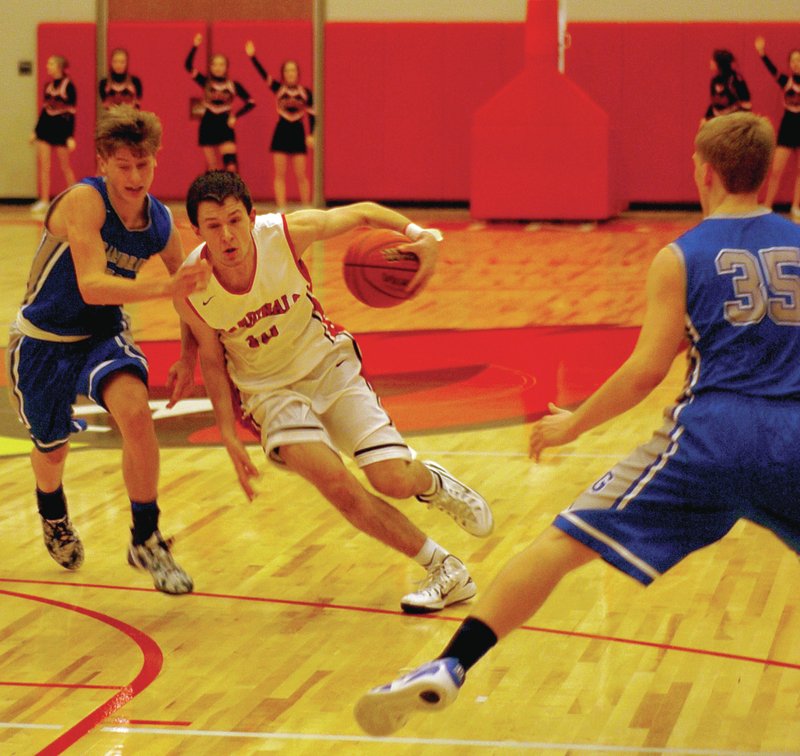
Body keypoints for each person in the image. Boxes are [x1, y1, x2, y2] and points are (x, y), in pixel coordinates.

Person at [354, 111, 800, 735]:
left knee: (561, 545)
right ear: (765, 173)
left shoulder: (682, 256)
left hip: (711, 437)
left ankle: (451, 665)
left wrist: (574, 425)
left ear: (703, 172)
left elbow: (646, 372)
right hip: (793, 436)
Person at [173, 170, 493, 613]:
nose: (227, 235)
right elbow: (212, 358)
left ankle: (432, 483)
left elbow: (362, 213)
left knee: (392, 479)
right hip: (268, 393)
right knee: (338, 486)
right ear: (197, 230)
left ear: (252, 216)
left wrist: (423, 236)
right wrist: (227, 434)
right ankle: (445, 569)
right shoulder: (190, 285)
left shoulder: (285, 235)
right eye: (213, 225)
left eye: (234, 220)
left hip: (327, 366)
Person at [7, 105, 211, 595]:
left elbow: (189, 291)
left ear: (155, 162)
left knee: (136, 413)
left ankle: (146, 537)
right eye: (124, 166)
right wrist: (166, 289)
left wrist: (188, 355)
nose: (135, 176)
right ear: (103, 163)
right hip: (43, 340)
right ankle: (52, 511)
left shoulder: (158, 221)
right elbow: (93, 284)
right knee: (51, 449)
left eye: (144, 165)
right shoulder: (85, 202)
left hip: (101, 333)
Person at [245, 41, 314, 210]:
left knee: (301, 174)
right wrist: (252, 57)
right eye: (287, 70)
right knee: (280, 174)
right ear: (283, 74)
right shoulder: (278, 88)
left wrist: (311, 134)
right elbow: (263, 75)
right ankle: (281, 207)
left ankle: (306, 207)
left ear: (297, 73)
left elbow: (313, 115)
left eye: (293, 70)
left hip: (298, 131)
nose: (290, 73)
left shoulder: (306, 92)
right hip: (282, 132)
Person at [185, 33, 256, 174]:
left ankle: (233, 195)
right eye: (215, 64)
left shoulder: (233, 85)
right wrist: (195, 45)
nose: (218, 67)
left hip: (224, 124)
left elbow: (251, 102)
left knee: (231, 166)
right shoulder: (205, 82)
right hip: (208, 123)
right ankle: (214, 195)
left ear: (227, 67)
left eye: (222, 64)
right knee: (213, 167)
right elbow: (188, 66)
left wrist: (235, 116)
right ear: (210, 67)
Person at [755, 36, 800, 219]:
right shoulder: (785, 81)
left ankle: (796, 206)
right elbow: (771, 69)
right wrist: (762, 53)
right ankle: (767, 205)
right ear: (789, 64)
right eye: (794, 60)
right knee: (776, 170)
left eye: (799, 60)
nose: (796, 63)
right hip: (788, 126)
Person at [30, 55, 77, 217]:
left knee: (65, 166)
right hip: (46, 129)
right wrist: (35, 131)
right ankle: (44, 200)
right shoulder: (48, 86)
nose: (47, 66)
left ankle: (75, 198)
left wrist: (70, 136)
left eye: (50, 63)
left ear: (59, 66)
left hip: (61, 129)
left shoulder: (69, 86)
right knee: (44, 166)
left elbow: (72, 114)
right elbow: (44, 111)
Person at [702, 48, 751, 124]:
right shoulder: (714, 81)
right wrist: (705, 118)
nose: (710, 62)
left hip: (732, 123)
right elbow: (714, 104)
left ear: (720, 64)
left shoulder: (736, 79)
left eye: (713, 60)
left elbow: (747, 104)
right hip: (717, 122)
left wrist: (743, 125)